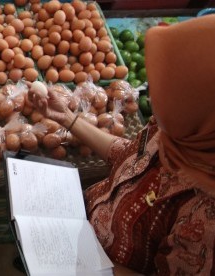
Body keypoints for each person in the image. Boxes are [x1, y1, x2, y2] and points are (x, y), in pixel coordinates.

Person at [30, 15, 215, 275]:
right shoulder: (186, 135)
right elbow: (131, 155)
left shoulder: (206, 222)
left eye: (163, 90)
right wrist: (69, 119)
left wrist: (83, 261)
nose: (149, 96)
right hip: (84, 231)